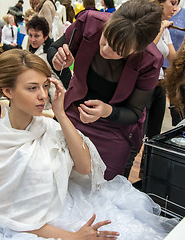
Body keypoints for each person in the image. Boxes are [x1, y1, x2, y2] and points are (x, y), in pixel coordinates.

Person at [0, 49, 176, 240]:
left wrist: (61, 115)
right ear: (8, 91)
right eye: (32, 88)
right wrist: (74, 237)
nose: (42, 96)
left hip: (69, 207)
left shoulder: (50, 127)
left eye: (44, 86)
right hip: (31, 229)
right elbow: (13, 218)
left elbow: (85, 167)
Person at [48, 0, 164, 180]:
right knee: (57, 174)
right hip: (72, 114)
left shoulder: (150, 61)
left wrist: (107, 111)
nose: (105, 49)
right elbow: (54, 48)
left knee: (101, 188)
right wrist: (58, 59)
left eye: (117, 50)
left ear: (137, 50)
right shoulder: (89, 22)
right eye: (105, 38)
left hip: (115, 131)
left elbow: (134, 112)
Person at [124, 0, 178, 179]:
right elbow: (145, 52)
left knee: (154, 138)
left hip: (159, 86)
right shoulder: (146, 24)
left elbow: (174, 58)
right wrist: (160, 28)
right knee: (135, 139)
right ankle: (121, 181)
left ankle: (145, 179)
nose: (175, 8)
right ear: (161, 3)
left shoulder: (167, 30)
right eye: (173, 3)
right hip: (142, 88)